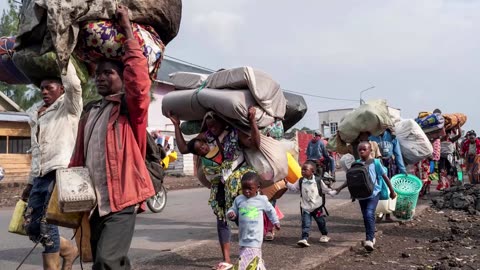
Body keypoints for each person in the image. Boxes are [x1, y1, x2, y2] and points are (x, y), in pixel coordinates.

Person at [68, 6, 156, 269]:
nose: (101, 78)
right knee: (107, 260)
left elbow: (139, 83)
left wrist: (127, 29)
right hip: (95, 202)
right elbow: (78, 159)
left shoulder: (130, 111)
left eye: (109, 73)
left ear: (121, 77)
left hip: (123, 201)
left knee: (106, 261)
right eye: (98, 74)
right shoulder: (91, 112)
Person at [169, 108, 260, 270]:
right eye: (209, 126)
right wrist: (176, 125)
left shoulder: (234, 133)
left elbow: (254, 144)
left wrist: (252, 121)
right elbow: (184, 148)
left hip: (239, 182)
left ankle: (252, 256)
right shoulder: (206, 137)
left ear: (223, 121)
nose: (212, 128)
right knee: (222, 220)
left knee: (246, 219)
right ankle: (226, 260)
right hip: (219, 185)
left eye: (214, 125)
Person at [20, 60, 82, 268]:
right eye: (42, 88)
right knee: (31, 226)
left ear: (61, 89)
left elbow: (74, 85)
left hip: (60, 173)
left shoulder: (69, 108)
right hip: (40, 175)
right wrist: (30, 183)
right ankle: (69, 249)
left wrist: (63, 58)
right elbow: (37, 151)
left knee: (47, 226)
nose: (44, 92)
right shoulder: (37, 115)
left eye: (49, 88)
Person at [336, 142, 396, 251]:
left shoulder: (376, 163)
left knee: (369, 213)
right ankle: (371, 235)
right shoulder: (356, 163)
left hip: (373, 193)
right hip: (361, 194)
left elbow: (385, 177)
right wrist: (339, 188)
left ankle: (370, 239)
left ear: (370, 151)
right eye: (360, 150)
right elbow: (350, 179)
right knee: (366, 216)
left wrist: (392, 191)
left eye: (364, 149)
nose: (362, 151)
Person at [227, 172, 280, 270]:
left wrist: (275, 221)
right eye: (244, 188)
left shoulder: (261, 200)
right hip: (243, 236)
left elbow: (271, 210)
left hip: (255, 236)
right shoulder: (239, 199)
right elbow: (232, 209)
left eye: (250, 189)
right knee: (253, 260)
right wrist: (231, 214)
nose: (246, 191)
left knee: (247, 259)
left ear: (258, 187)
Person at [286, 162, 336, 247]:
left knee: (320, 221)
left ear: (312, 171)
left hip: (317, 208)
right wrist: (287, 183)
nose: (303, 171)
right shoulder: (301, 180)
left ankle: (324, 235)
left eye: (305, 170)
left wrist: (333, 192)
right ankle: (304, 238)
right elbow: (294, 188)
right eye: (302, 170)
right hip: (306, 207)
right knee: (305, 223)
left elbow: (325, 190)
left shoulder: (318, 180)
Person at [369, 129, 406, 222]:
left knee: (390, 189)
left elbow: (398, 154)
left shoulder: (392, 137)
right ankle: (379, 213)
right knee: (378, 189)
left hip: (390, 166)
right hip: (377, 166)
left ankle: (388, 214)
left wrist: (402, 169)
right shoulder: (371, 137)